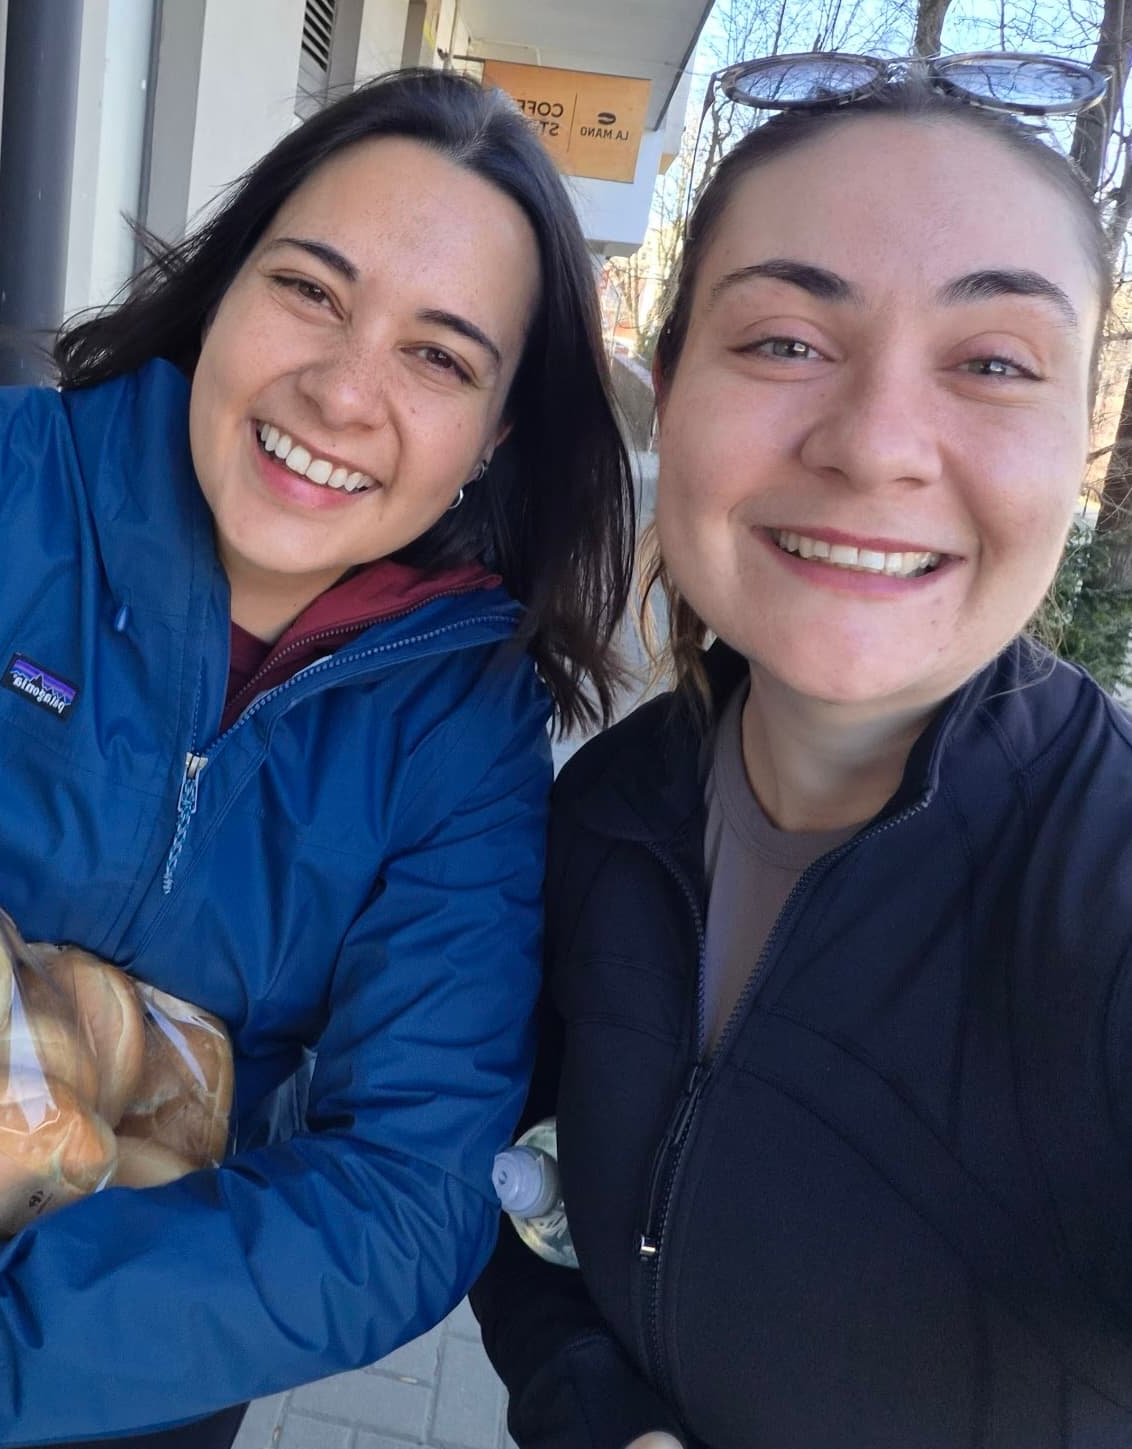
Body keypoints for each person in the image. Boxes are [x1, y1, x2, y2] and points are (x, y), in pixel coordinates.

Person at [0, 68, 636, 1448]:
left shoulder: (464, 727)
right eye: (309, 289)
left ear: (496, 436)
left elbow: (404, 1195)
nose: (341, 387)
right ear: (227, 288)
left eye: (439, 355)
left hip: (108, 1400)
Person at [471, 53, 1132, 1449]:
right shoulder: (601, 814)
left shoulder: (1106, 885)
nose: (878, 444)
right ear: (672, 385)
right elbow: (514, 1196)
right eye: (783, 341)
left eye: (995, 362)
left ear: (1082, 441)